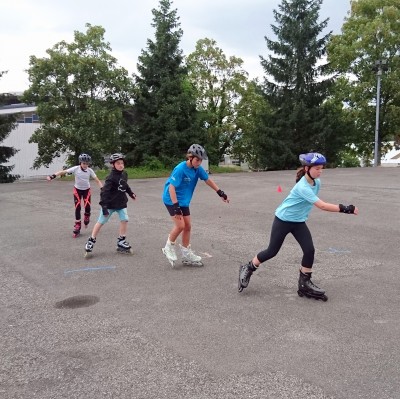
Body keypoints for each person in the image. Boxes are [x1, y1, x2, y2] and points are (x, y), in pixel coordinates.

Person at [238, 152, 359, 301]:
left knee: (309, 250)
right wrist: (346, 208)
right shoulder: (302, 186)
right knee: (271, 251)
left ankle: (304, 283)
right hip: (283, 219)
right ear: (307, 168)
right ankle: (248, 267)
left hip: (298, 221)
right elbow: (321, 205)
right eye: (317, 168)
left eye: (321, 168)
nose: (320, 171)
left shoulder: (317, 182)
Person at [161, 144, 230, 267]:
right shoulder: (180, 169)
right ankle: (168, 246)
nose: (199, 163)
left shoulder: (198, 169)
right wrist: (176, 206)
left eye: (201, 160)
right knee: (180, 225)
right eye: (197, 160)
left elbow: (207, 180)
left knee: (188, 226)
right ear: (190, 157)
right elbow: (171, 188)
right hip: (171, 199)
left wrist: (220, 192)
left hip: (184, 201)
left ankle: (186, 253)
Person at [84, 153, 136, 257]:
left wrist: (130, 193)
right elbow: (104, 192)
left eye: (122, 163)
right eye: (118, 163)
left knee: (125, 219)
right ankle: (91, 241)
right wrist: (104, 207)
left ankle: (121, 240)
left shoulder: (124, 174)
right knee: (101, 222)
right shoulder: (110, 177)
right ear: (113, 165)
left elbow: (125, 185)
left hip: (121, 203)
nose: (121, 165)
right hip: (110, 205)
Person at [47, 153, 103, 237]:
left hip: (86, 190)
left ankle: (87, 217)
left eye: (87, 164)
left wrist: (103, 189)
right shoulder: (76, 169)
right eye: (84, 163)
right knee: (78, 207)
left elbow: (97, 180)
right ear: (80, 162)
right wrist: (52, 176)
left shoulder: (90, 170)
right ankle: (77, 225)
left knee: (87, 206)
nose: (85, 165)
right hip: (77, 190)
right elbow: (63, 172)